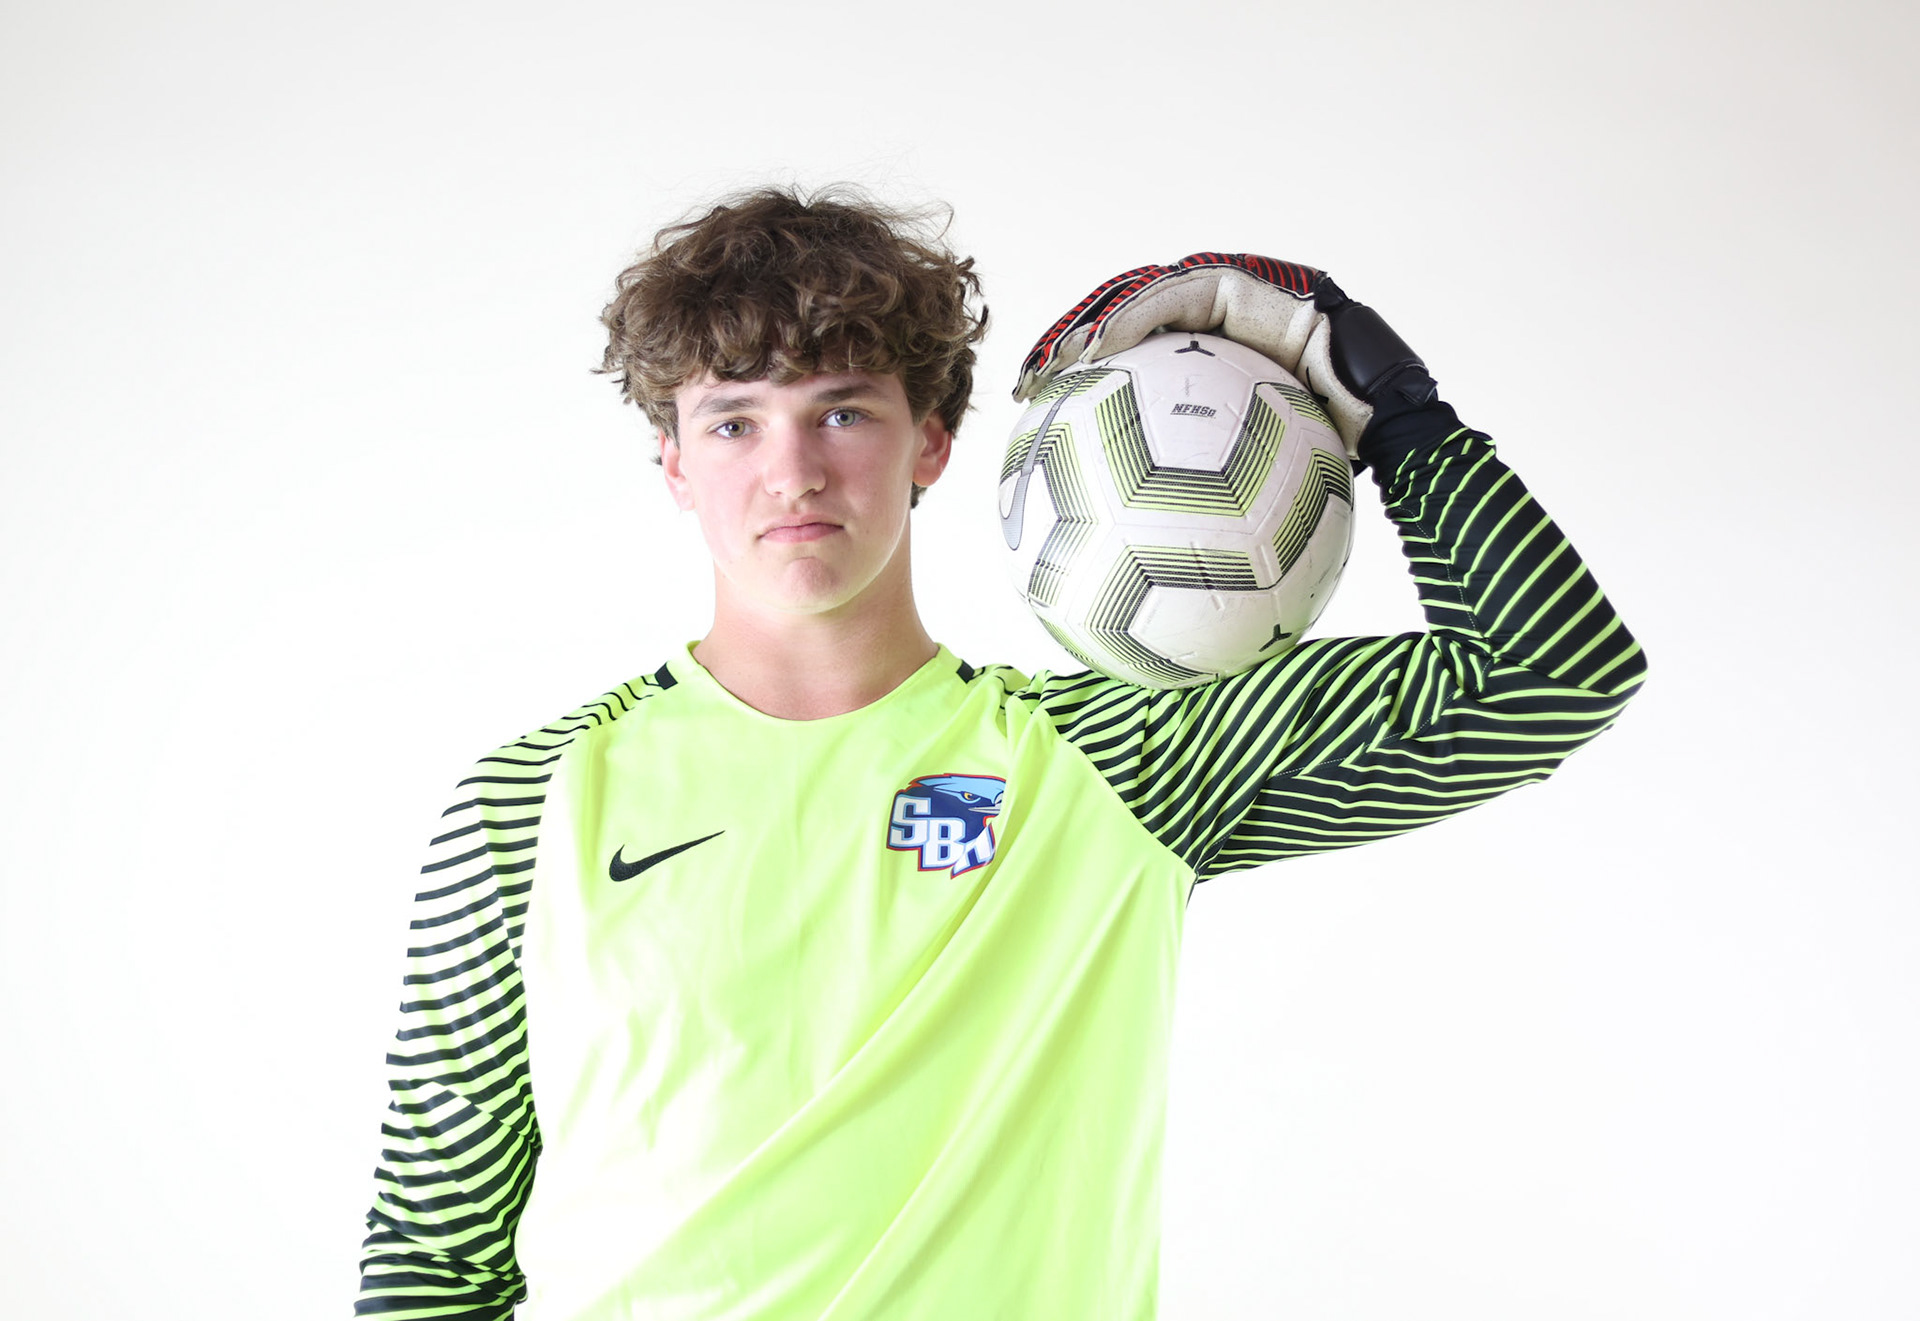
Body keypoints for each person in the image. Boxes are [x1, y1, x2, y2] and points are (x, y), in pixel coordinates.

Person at [353, 186, 1646, 1320]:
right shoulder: (530, 803)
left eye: (843, 412)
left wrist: (1391, 409)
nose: (792, 471)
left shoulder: (1122, 761)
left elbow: (1547, 673)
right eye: (735, 422)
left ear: (932, 442)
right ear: (674, 462)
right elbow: (430, 1260)